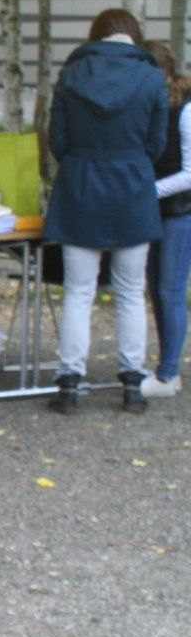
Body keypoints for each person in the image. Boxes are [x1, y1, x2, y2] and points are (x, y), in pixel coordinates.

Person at [43, 7, 169, 414]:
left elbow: (57, 140)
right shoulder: (151, 77)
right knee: (130, 290)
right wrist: (131, 161)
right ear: (134, 37)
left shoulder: (72, 74)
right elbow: (157, 143)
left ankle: (69, 384)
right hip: (132, 186)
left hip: (80, 185)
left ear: (94, 35)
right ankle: (132, 384)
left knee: (79, 291)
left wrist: (82, 160)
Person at [142, 41, 191, 398]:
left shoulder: (186, 110)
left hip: (181, 213)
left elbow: (190, 173)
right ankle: (166, 369)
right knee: (157, 290)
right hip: (156, 211)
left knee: (170, 291)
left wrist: (147, 191)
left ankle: (169, 372)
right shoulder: (151, 107)